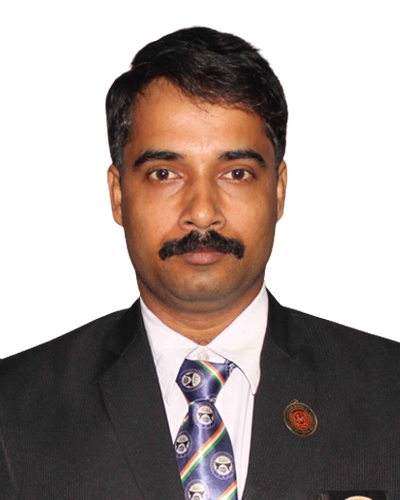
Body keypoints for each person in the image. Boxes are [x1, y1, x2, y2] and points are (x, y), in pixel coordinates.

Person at [0, 27, 399, 500]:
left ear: (278, 190)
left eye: (236, 173)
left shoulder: (388, 392)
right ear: (118, 195)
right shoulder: (13, 409)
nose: (203, 212)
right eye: (164, 173)